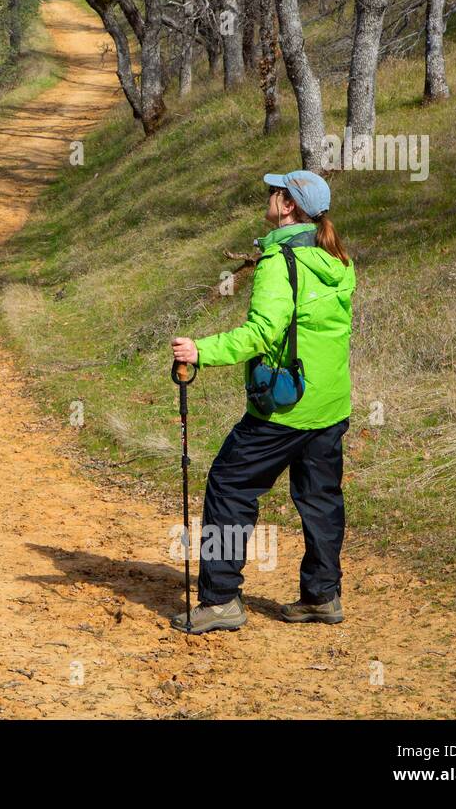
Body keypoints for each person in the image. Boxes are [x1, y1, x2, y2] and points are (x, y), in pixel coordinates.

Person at [169, 170, 356, 634]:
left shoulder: (279, 262)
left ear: (288, 206)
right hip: (330, 403)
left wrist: (200, 352)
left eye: (275, 193)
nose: (268, 198)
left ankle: (219, 601)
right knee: (321, 500)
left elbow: (261, 333)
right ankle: (321, 596)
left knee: (229, 486)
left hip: (283, 407)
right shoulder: (337, 258)